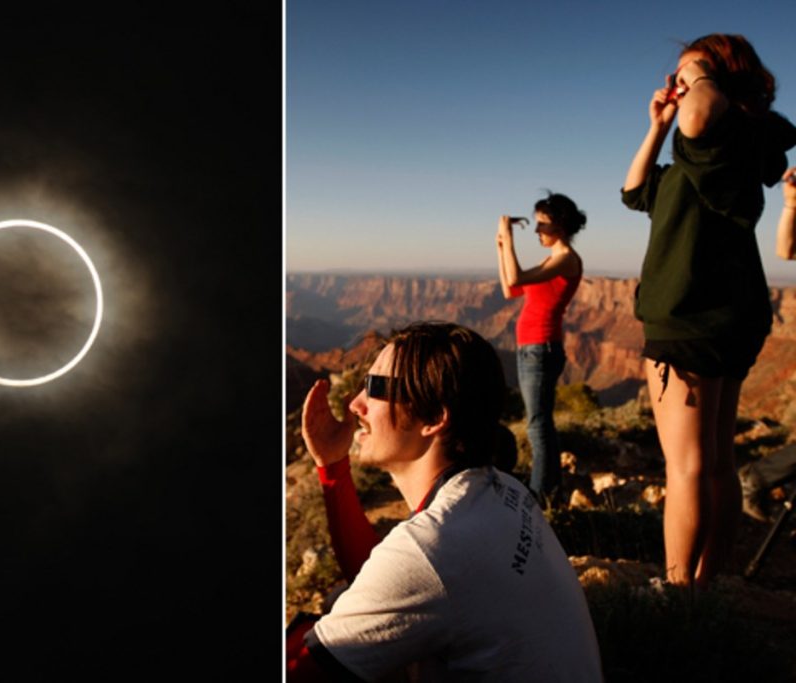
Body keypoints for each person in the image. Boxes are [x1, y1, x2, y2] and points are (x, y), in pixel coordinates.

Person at [286, 322, 602, 682]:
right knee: (340, 601)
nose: (355, 404)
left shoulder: (437, 545)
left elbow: (302, 673)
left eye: (375, 389)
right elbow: (384, 583)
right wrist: (333, 466)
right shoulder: (500, 490)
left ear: (434, 418)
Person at [621, 34, 796, 588]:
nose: (677, 84)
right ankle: (707, 582)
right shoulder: (707, 152)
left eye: (686, 73)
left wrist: (694, 74)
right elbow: (633, 191)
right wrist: (658, 124)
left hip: (688, 317)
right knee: (716, 463)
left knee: (688, 467)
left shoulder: (726, 139)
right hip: (728, 318)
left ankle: (679, 595)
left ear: (716, 75)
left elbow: (699, 115)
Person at [495, 193, 586, 506]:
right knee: (538, 421)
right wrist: (501, 245)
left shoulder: (566, 260)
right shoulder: (550, 261)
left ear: (560, 225)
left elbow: (517, 276)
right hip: (530, 348)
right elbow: (510, 288)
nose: (537, 231)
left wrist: (509, 236)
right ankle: (548, 488)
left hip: (541, 349)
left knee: (538, 424)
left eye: (542, 225)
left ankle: (543, 494)